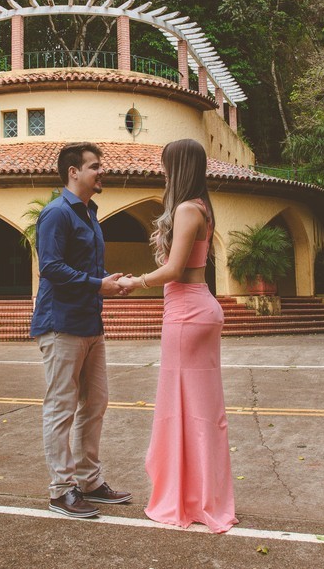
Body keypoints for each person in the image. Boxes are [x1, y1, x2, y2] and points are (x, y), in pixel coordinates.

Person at [117, 138, 238, 533]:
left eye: (167, 165)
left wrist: (134, 282)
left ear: (179, 167)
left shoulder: (187, 209)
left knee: (183, 408)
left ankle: (188, 499)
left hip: (187, 312)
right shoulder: (202, 207)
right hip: (196, 310)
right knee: (201, 410)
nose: (164, 172)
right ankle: (203, 497)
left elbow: (173, 270)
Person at [31, 142, 132, 518]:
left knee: (96, 403)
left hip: (90, 322)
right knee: (61, 407)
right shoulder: (56, 213)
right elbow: (50, 267)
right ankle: (61, 490)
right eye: (94, 166)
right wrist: (97, 284)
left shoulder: (89, 213)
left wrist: (107, 282)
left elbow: (84, 270)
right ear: (73, 172)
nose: (101, 171)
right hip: (61, 325)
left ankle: (89, 482)